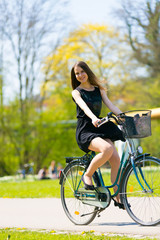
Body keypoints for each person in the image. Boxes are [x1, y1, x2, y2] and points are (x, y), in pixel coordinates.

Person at [71, 61, 126, 209]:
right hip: (86, 129)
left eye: (82, 71)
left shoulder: (99, 89)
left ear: (87, 72)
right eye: (77, 73)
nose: (80, 75)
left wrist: (124, 116)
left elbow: (110, 104)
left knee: (116, 160)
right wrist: (93, 118)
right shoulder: (76, 92)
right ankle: (87, 175)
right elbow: (84, 107)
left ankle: (117, 195)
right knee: (107, 149)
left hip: (100, 127)